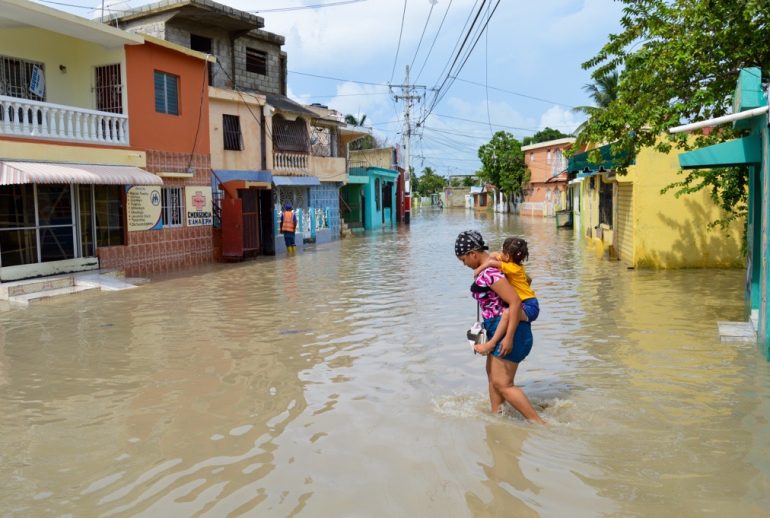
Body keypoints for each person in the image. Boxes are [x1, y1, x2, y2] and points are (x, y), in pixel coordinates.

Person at [455, 230, 545, 424]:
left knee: (503, 384)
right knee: (493, 379)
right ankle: (497, 419)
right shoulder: (496, 267)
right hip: (498, 327)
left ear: (473, 253)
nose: (464, 265)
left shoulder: (491, 272)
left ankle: (540, 424)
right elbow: (524, 281)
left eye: (464, 260)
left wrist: (507, 338)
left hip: (511, 330)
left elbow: (514, 302)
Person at [473, 237, 540, 352]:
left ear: (508, 256)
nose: (500, 254)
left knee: (507, 314)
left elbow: (491, 262)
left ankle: (492, 343)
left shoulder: (511, 268)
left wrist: (478, 270)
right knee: (507, 313)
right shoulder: (516, 266)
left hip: (529, 306)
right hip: (530, 302)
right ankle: (492, 342)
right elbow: (495, 255)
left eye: (502, 252)